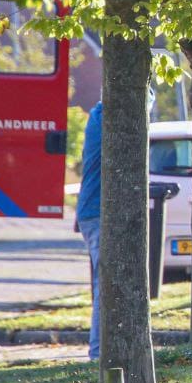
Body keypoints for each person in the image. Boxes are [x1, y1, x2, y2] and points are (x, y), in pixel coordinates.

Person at [76, 101, 103, 360]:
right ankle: (97, 354)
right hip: (97, 212)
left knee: (103, 283)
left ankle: (99, 351)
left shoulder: (98, 114)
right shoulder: (108, 117)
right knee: (103, 285)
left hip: (91, 211)